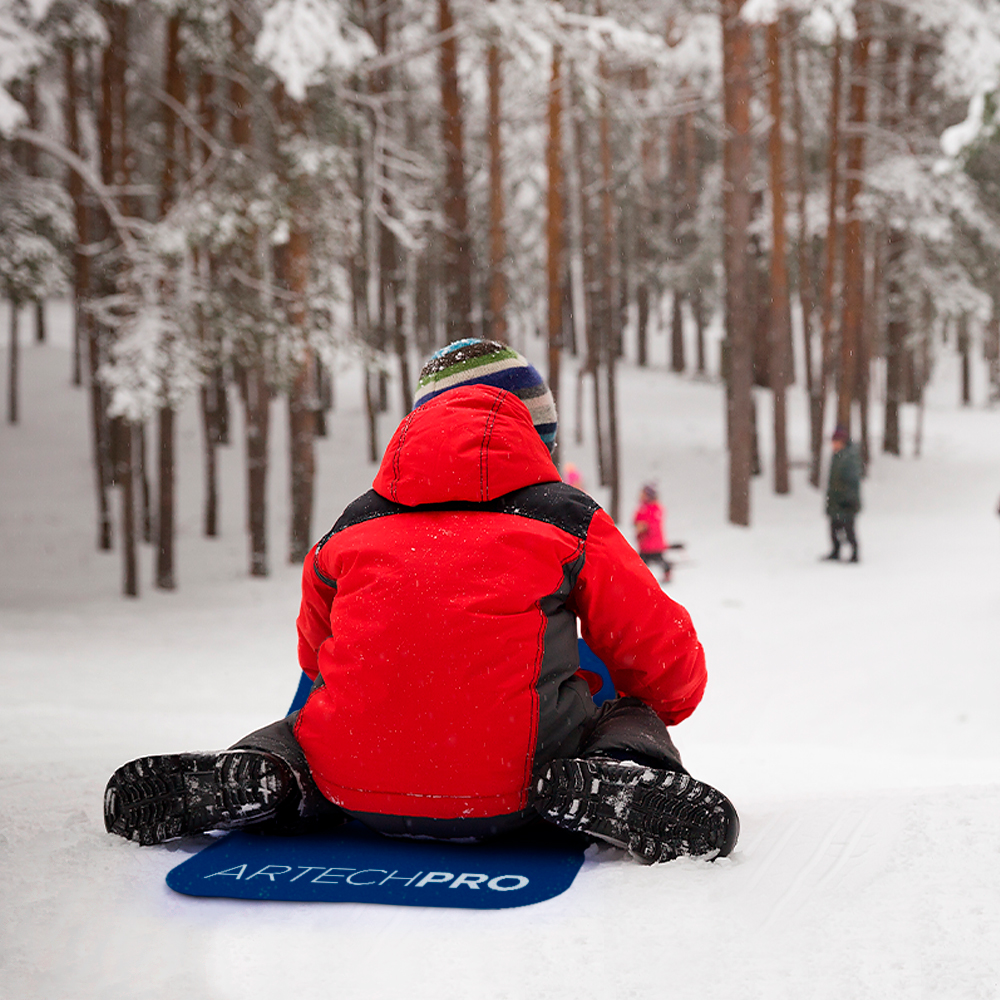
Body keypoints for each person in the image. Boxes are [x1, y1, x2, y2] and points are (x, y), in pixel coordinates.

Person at [104, 339, 738, 864]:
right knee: (624, 709)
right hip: (514, 789)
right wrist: (649, 702)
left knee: (310, 725)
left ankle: (265, 770)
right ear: (535, 434)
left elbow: (314, 657)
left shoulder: (355, 521)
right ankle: (613, 773)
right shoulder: (567, 518)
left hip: (351, 787)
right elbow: (663, 657)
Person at [823, 424, 862, 563]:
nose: (833, 444)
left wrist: (848, 499)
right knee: (834, 527)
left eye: (835, 442)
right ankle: (836, 551)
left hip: (846, 501)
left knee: (848, 529)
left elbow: (852, 480)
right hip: (836, 500)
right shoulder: (837, 456)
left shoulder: (849, 457)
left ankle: (855, 553)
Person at [633, 483, 671, 583]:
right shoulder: (642, 508)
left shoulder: (655, 508)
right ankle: (640, 578)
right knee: (641, 562)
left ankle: (667, 571)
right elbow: (636, 520)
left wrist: (645, 527)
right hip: (644, 543)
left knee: (658, 559)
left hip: (654, 543)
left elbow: (655, 523)